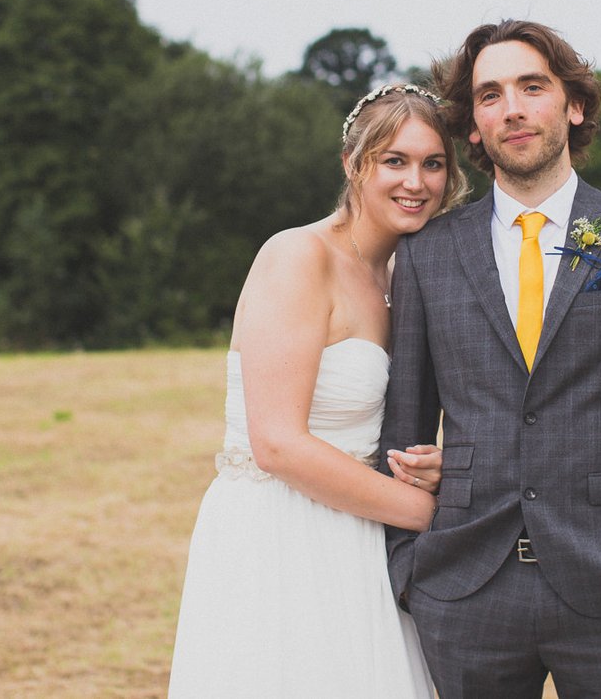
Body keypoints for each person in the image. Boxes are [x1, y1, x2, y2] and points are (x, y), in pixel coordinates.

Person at [380, 20, 601, 699]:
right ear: (473, 126)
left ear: (573, 104)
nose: (512, 107)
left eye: (532, 86)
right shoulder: (428, 254)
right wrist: (409, 569)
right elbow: (404, 428)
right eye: (490, 94)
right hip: (465, 590)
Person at [168, 83, 469, 699]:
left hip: (362, 532)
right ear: (353, 165)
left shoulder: (401, 275)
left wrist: (429, 469)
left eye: (432, 163)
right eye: (395, 161)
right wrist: (434, 514)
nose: (417, 181)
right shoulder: (297, 255)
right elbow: (277, 442)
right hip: (281, 532)